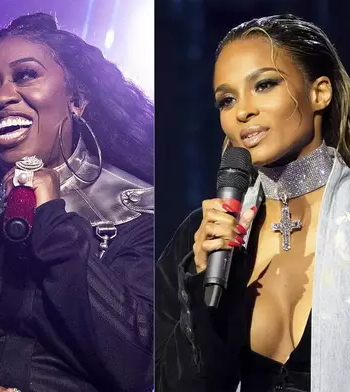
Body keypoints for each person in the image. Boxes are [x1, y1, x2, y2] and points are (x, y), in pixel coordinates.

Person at [0, 13, 154, 392]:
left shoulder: (138, 210)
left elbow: (140, 362)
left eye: (25, 75)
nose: (2, 97)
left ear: (78, 100)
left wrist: (54, 224)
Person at [155, 14, 350, 392]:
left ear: (319, 93)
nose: (242, 111)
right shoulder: (198, 240)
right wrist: (200, 282)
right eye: (226, 100)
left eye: (264, 85)